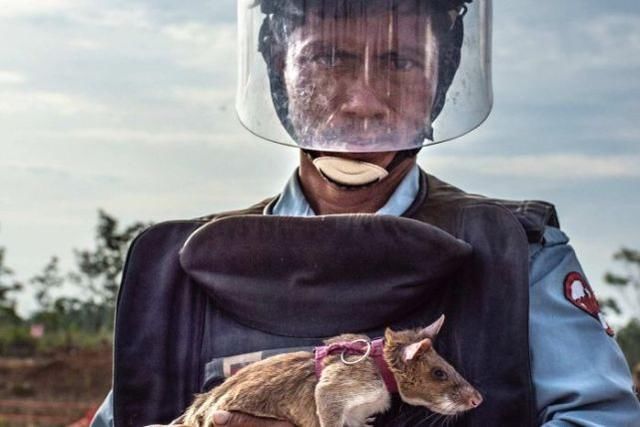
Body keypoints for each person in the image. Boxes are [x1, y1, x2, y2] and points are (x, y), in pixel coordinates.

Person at [92, 1, 640, 426]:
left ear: (440, 82)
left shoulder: (518, 255)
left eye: (400, 61)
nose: (362, 102)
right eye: (328, 58)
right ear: (279, 73)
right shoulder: (178, 271)